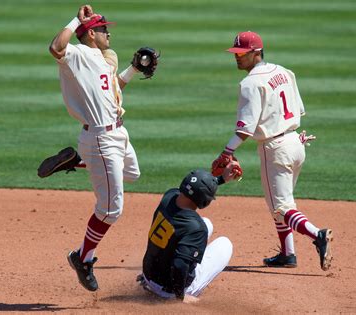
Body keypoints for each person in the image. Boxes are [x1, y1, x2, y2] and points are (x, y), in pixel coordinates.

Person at [47, 5, 155, 291]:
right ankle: (82, 257)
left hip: (118, 133)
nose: (109, 32)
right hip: (100, 139)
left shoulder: (101, 58)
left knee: (133, 174)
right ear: (91, 33)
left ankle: (76, 162)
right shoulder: (79, 55)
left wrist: (133, 70)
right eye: (104, 28)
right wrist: (75, 20)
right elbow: (56, 47)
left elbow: (112, 91)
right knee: (110, 210)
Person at [211, 31, 333, 271]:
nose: (237, 58)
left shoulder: (250, 83)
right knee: (284, 202)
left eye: (242, 54)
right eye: (235, 53)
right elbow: (297, 111)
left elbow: (245, 129)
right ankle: (288, 254)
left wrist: (226, 152)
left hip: (275, 149)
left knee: (282, 207)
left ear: (256, 53)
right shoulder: (284, 71)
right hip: (296, 144)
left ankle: (317, 234)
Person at [138, 163, 241, 303]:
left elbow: (194, 190)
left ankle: (151, 283)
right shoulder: (195, 228)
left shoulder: (169, 196)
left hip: (149, 274)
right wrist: (180, 296)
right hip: (169, 290)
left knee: (206, 223)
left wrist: (221, 179)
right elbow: (180, 265)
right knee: (225, 244)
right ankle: (177, 294)